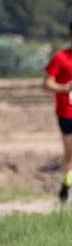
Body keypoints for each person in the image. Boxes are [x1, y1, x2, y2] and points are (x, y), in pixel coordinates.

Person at [42, 22, 72, 204]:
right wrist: (65, 88)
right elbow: (47, 83)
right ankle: (66, 186)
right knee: (70, 153)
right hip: (67, 112)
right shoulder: (60, 58)